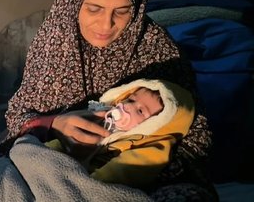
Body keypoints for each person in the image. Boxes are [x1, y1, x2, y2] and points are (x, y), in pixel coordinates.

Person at [0, 0, 216, 200]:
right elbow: (18, 116)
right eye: (94, 9)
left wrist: (143, 157)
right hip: (55, 163)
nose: (106, 24)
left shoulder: (159, 51)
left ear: (139, 4)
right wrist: (55, 124)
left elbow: (197, 137)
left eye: (122, 11)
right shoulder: (53, 43)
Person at [45, 78, 195, 189]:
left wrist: (89, 184)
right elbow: (67, 138)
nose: (128, 106)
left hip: (93, 182)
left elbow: (123, 170)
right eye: (130, 99)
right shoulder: (102, 116)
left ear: (156, 125)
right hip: (60, 167)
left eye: (140, 111)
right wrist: (45, 151)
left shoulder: (153, 147)